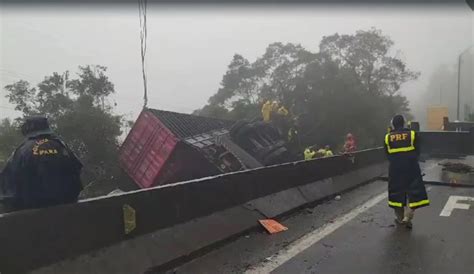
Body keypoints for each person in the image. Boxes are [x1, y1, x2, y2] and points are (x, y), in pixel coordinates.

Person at [0, 116, 83, 211]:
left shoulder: (21, 151)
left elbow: (8, 184)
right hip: (69, 210)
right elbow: (77, 169)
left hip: (32, 215)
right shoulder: (62, 146)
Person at [384, 115, 429, 229]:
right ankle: (408, 216)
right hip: (411, 167)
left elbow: (387, 155)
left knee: (396, 193)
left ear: (393, 124)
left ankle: (400, 218)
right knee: (414, 191)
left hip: (395, 169)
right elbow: (418, 150)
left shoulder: (388, 137)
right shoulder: (412, 134)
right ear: (403, 123)